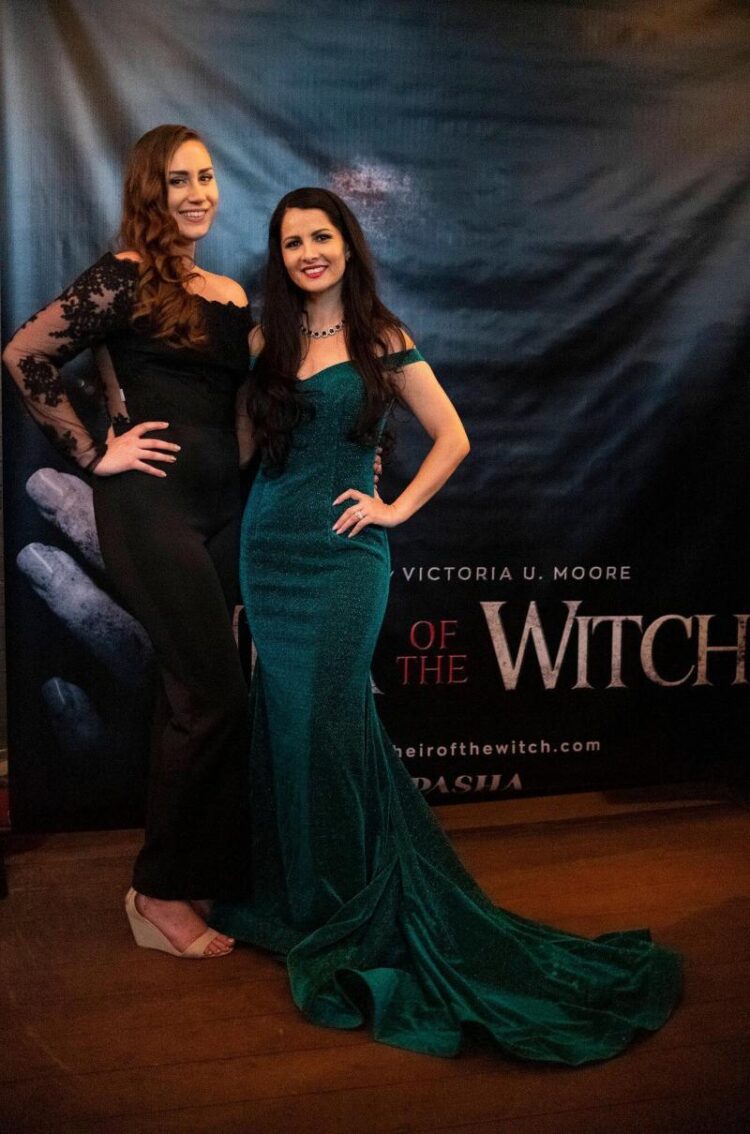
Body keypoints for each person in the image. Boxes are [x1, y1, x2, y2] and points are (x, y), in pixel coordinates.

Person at [211, 187, 682, 1061]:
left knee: (330, 723)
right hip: (268, 552)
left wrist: (394, 508)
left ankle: (353, 903)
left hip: (345, 560)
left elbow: (453, 436)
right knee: (289, 726)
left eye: (321, 236)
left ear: (347, 245)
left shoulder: (382, 337)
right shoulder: (263, 343)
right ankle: (304, 899)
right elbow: (240, 451)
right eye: (292, 241)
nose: (308, 252)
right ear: (278, 256)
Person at [3, 124, 254, 958]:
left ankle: (190, 871)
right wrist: (92, 452)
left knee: (188, 697)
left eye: (206, 176)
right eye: (178, 180)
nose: (197, 193)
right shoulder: (124, 276)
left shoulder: (228, 293)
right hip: (150, 508)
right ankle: (157, 893)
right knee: (214, 698)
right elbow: (25, 354)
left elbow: (240, 409)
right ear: (151, 190)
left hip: (223, 510)